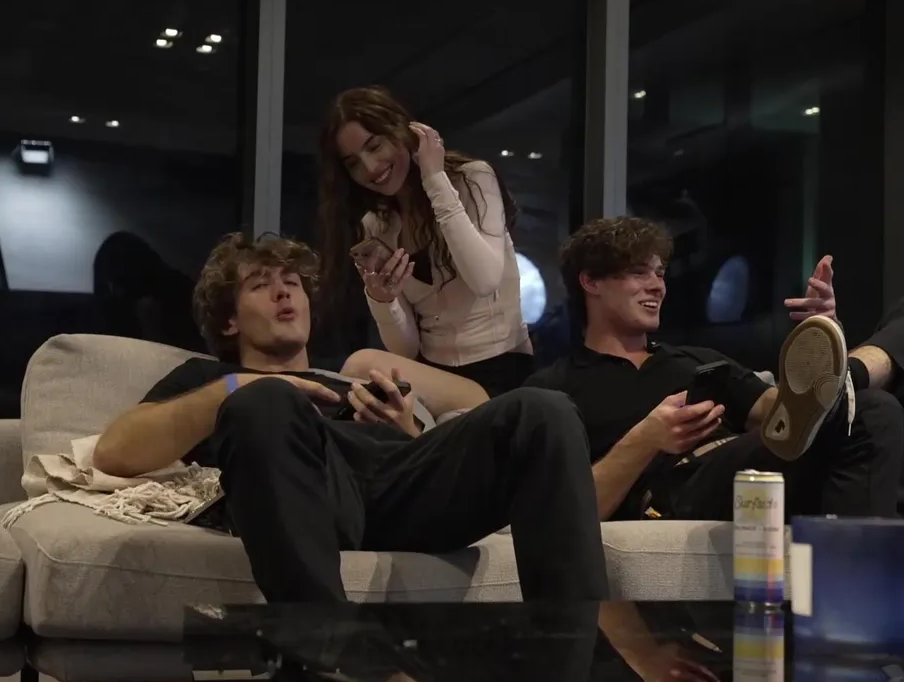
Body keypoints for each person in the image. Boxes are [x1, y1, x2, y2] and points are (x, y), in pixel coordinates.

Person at [92, 232, 608, 603]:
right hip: (313, 495)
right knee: (266, 402)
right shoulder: (212, 380)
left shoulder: (348, 376)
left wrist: (406, 429)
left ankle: (574, 657)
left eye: (292, 282)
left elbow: (472, 408)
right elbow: (115, 452)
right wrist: (242, 386)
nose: (284, 291)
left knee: (543, 409)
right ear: (229, 321)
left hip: (404, 491)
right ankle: (325, 652)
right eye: (261, 285)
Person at [526, 216, 904, 522]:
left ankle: (847, 378)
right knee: (869, 408)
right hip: (679, 488)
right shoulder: (557, 388)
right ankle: (841, 383)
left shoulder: (694, 360)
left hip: (762, 465)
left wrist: (830, 328)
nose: (658, 285)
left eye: (660, 273)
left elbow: (781, 414)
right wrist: (647, 438)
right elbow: (563, 512)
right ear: (590, 282)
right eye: (639, 273)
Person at [316, 85, 533, 397]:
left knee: (361, 364)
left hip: (502, 372)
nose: (370, 167)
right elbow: (405, 351)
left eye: (374, 146)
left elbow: (484, 280)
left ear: (401, 130)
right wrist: (382, 301)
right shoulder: (376, 225)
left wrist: (434, 180)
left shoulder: (472, 179)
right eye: (352, 163)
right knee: (365, 385)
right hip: (435, 376)